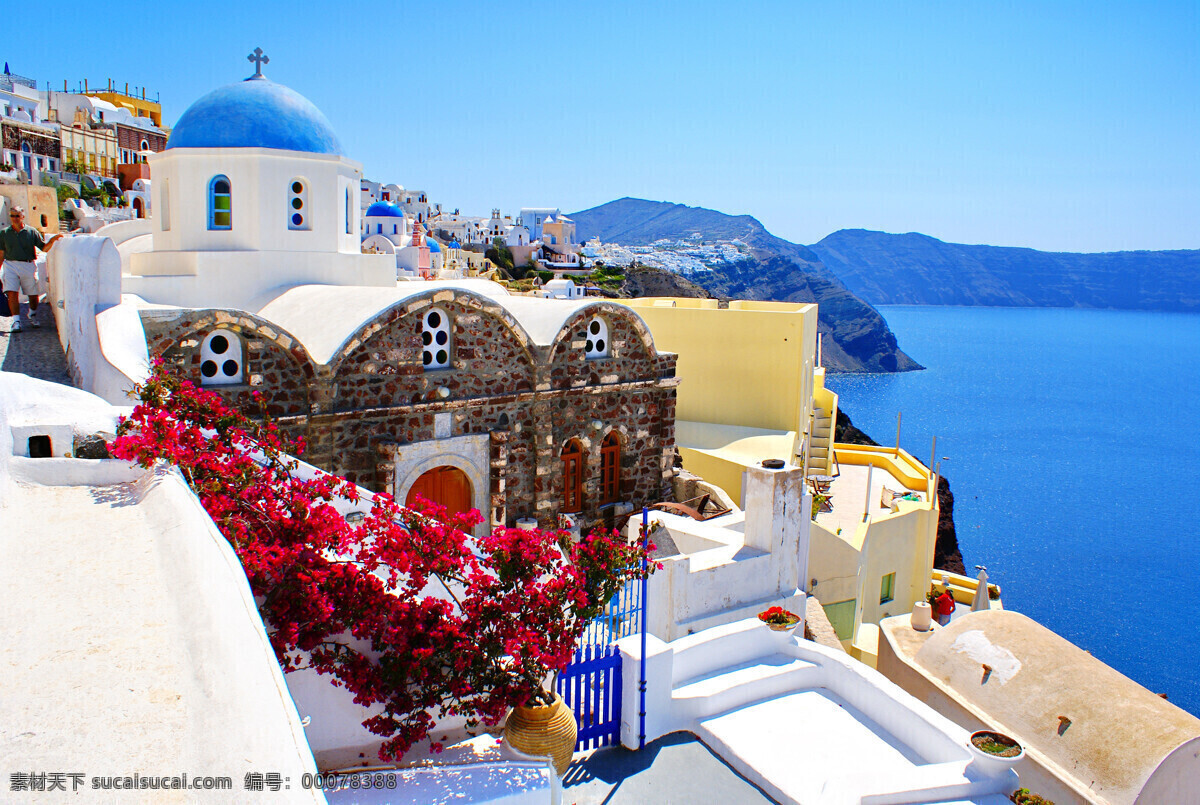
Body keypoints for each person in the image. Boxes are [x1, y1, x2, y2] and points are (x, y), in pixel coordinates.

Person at [1, 205, 63, 332]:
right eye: (12, 216)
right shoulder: (4, 233)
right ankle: (16, 321)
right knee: (12, 293)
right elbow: (1, 253)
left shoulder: (31, 232)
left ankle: (32, 313)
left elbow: (43, 248)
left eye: (17, 216)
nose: (14, 218)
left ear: (23, 217)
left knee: (33, 295)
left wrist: (52, 240)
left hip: (28, 265)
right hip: (10, 265)